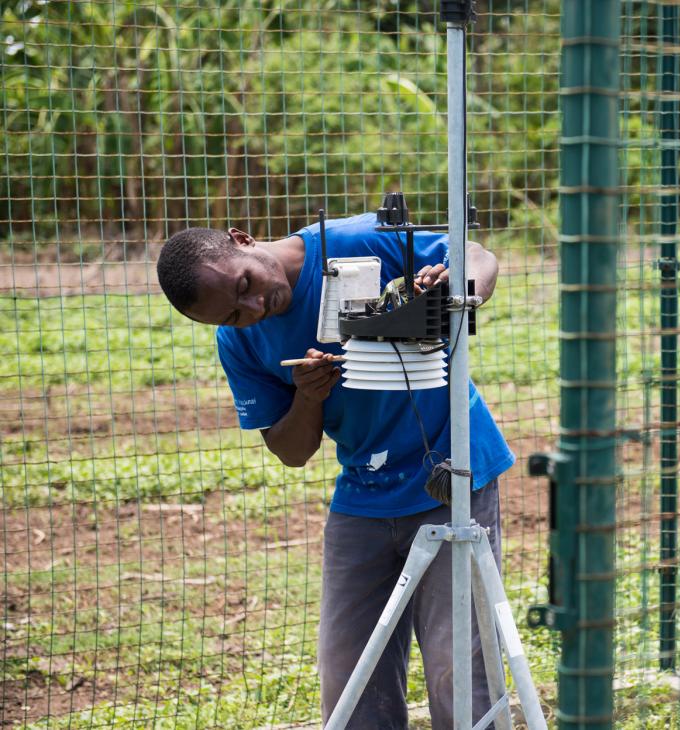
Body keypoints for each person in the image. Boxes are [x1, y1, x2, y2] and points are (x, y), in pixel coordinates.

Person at [155, 213, 514, 729]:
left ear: (242, 239)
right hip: (365, 490)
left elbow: (478, 255)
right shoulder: (239, 343)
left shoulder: (354, 242)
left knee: (458, 665)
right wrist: (307, 399)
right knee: (349, 675)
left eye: (246, 285)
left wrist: (460, 287)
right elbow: (292, 450)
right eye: (234, 314)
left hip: (452, 473)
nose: (255, 309)